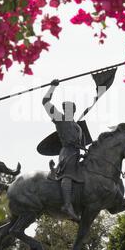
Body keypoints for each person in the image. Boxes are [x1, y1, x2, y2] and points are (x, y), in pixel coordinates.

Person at [42, 79, 85, 222]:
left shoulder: (78, 127)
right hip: (67, 153)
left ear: (73, 111)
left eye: (69, 109)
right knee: (69, 171)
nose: (66, 111)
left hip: (78, 153)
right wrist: (52, 87)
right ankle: (67, 205)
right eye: (64, 109)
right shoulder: (60, 120)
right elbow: (45, 102)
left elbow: (84, 144)